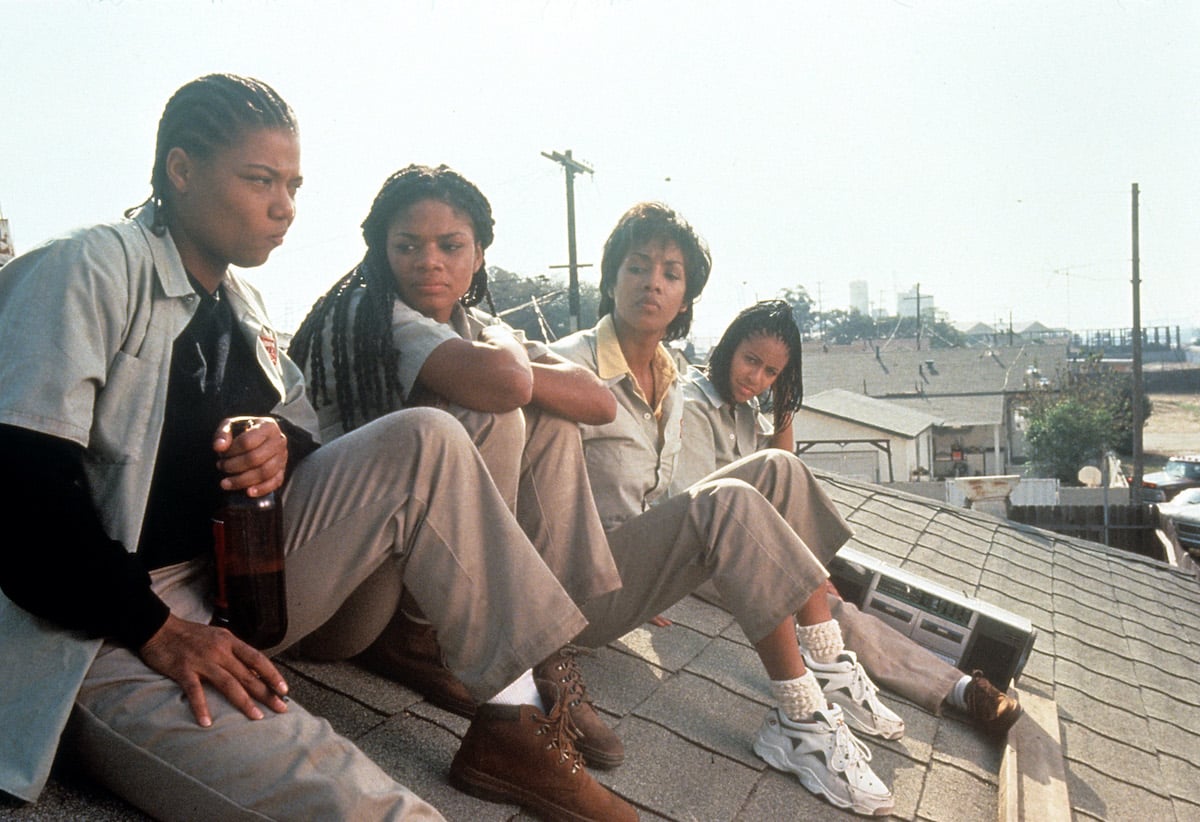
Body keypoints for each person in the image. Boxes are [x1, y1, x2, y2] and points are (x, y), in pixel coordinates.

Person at [0, 74, 637, 822]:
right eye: (261, 181)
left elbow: (305, 429)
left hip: (236, 586)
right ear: (181, 170)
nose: (285, 208)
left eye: (294, 185)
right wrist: (159, 630)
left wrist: (279, 442)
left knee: (425, 438)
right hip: (100, 629)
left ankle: (515, 714)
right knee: (382, 813)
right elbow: (19, 498)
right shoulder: (89, 267)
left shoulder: (242, 308)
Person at [550, 203, 895, 817]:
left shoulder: (669, 376)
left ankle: (829, 659)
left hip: (629, 577)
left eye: (671, 273)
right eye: (637, 266)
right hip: (571, 591)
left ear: (685, 300)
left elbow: (655, 502)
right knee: (731, 501)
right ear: (611, 278)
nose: (652, 281)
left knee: (779, 468)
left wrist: (657, 566)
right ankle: (798, 721)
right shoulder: (567, 363)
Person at [288, 163, 625, 767]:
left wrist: (509, 349)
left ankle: (545, 648)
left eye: (451, 246)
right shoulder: (374, 312)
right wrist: (513, 356)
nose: (429, 261)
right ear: (381, 251)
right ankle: (429, 636)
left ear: (478, 254)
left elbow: (599, 401)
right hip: (338, 597)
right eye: (407, 245)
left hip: (399, 577)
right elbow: (504, 384)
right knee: (498, 413)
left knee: (551, 419)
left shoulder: (476, 327)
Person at [670, 300, 1024, 738]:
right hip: (701, 554)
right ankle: (960, 689)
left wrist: (784, 404)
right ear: (727, 347)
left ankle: (948, 668)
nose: (755, 379)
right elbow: (696, 509)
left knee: (861, 588)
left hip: (748, 544)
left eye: (772, 374)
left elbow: (781, 474)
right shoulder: (689, 402)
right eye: (751, 361)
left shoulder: (742, 410)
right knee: (835, 609)